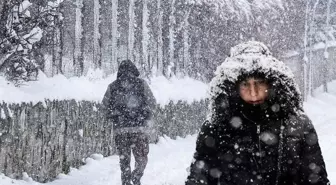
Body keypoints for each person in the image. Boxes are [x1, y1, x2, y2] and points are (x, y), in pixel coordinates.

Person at [186, 41, 330, 185]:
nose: (253, 93)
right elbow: (198, 179)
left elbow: (317, 180)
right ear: (233, 87)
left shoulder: (297, 125)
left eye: (259, 82)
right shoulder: (216, 128)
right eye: (245, 84)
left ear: (272, 82)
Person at [102, 59, 156, 185]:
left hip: (121, 130)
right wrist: (145, 114)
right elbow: (152, 103)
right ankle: (136, 177)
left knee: (124, 160)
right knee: (142, 158)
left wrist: (114, 115)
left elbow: (104, 107)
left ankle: (126, 181)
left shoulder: (113, 87)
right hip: (139, 129)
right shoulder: (141, 84)